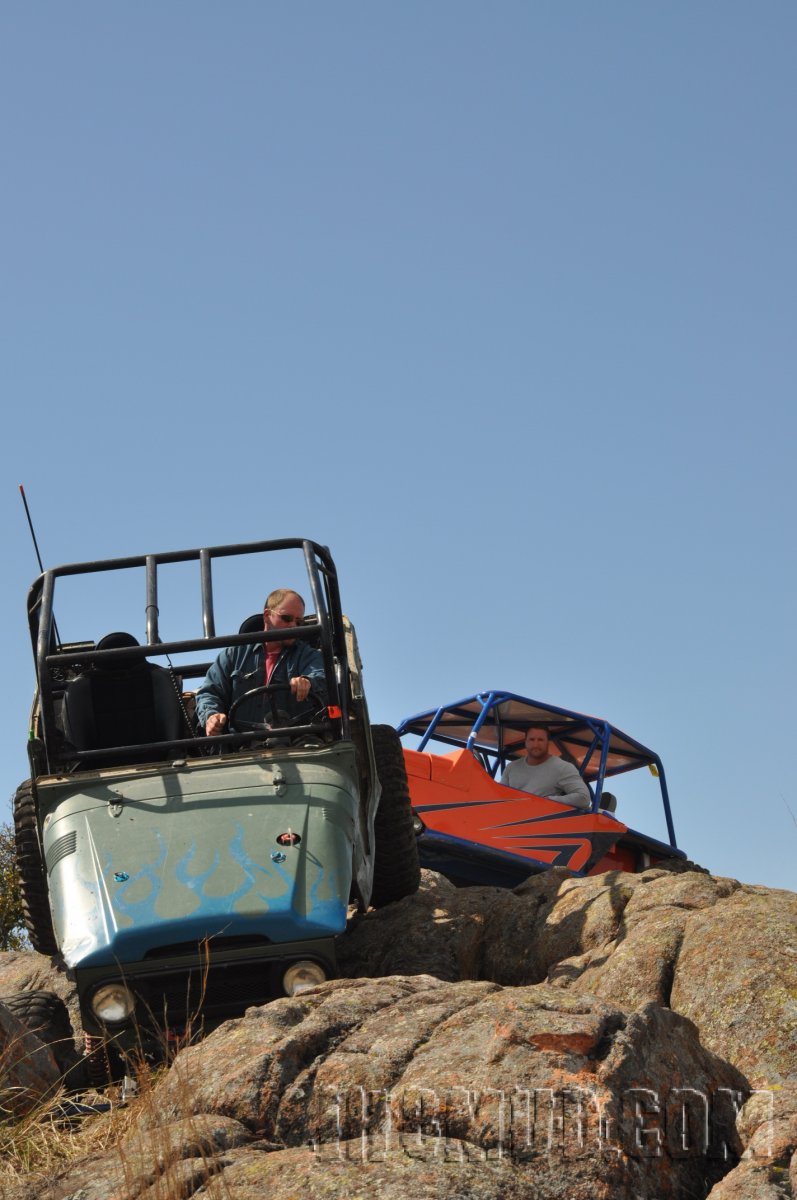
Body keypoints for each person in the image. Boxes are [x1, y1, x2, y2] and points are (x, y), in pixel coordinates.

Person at [195, 588, 326, 736]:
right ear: (267, 616)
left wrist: (308, 681)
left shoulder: (307, 655)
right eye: (287, 618)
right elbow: (210, 692)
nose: (293, 626)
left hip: (297, 745)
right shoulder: (234, 654)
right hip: (241, 745)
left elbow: (320, 675)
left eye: (298, 622)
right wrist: (211, 716)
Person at [500, 724, 591, 810]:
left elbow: (584, 798)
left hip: (543, 823)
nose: (535, 744)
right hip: (510, 820)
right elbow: (499, 797)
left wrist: (547, 800)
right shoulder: (511, 767)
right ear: (525, 742)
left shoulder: (563, 767)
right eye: (532, 739)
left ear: (548, 742)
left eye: (540, 740)